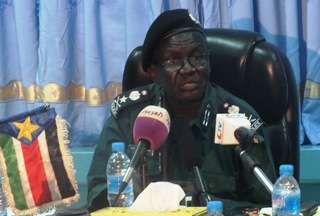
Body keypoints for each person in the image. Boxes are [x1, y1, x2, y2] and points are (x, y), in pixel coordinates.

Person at [87, 9, 277, 212]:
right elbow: (98, 192)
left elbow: (267, 204)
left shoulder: (239, 120)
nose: (188, 68)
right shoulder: (130, 115)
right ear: (154, 73)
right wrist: (145, 199)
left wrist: (198, 202)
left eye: (198, 57)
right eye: (174, 61)